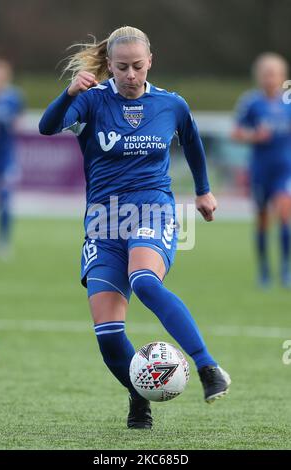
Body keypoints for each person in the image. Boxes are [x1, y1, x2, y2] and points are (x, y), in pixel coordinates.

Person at [39, 26, 231, 429]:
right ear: (109, 65)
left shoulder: (170, 104)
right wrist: (70, 92)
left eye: (137, 66)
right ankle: (138, 396)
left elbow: (192, 142)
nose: (130, 74)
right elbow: (47, 127)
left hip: (152, 212)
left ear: (150, 63)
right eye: (122, 66)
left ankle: (208, 367)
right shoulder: (91, 102)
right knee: (108, 336)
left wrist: (203, 191)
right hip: (103, 224)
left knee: (144, 280)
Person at [232, 53, 291, 288]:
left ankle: (286, 269)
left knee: (285, 214)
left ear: (282, 76)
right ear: (258, 76)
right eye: (266, 74)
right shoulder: (251, 102)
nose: (270, 78)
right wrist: (255, 136)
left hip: (285, 170)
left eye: (275, 74)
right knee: (263, 220)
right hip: (260, 170)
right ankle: (264, 270)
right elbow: (235, 133)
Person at [0, 59, 24, 259]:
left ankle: (3, 242)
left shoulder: (13, 98)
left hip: (4, 158)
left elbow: (17, 121)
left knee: (4, 199)